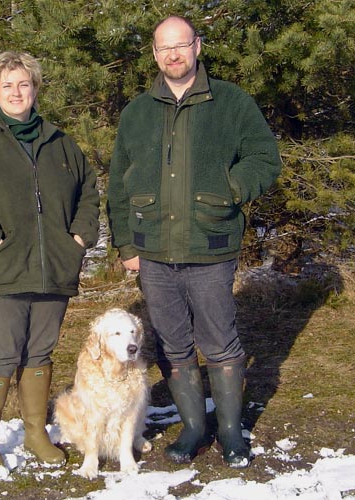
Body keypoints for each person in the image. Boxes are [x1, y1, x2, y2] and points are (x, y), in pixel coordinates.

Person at [107, 16, 281, 468]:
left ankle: (230, 431)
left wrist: (234, 186)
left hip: (211, 244)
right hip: (155, 252)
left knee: (221, 344)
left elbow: (265, 157)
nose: (173, 55)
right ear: (154, 54)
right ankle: (194, 429)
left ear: (197, 46)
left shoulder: (231, 102)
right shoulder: (138, 111)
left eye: (180, 46)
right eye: (164, 48)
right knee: (173, 346)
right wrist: (126, 244)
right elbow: (118, 184)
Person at [0, 51, 100, 474]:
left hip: (53, 269)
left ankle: (35, 433)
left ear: (35, 89)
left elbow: (87, 191)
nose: (16, 92)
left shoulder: (60, 142)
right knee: (0, 354)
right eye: (6, 85)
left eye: (23, 84)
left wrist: (80, 237)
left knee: (40, 353)